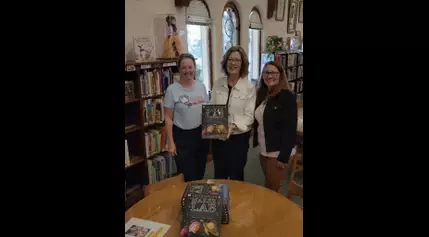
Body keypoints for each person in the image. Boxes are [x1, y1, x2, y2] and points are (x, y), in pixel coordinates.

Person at [210, 46, 256, 181]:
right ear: (226, 62)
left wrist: (233, 126)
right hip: (219, 137)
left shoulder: (249, 87)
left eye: (237, 60)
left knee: (236, 175)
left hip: (238, 139)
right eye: (230, 59)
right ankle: (219, 201)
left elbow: (249, 117)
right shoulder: (218, 83)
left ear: (242, 64)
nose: (233, 63)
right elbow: (212, 108)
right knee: (219, 174)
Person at [253, 61, 297, 192]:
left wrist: (283, 157)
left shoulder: (287, 97)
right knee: (269, 183)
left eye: (273, 72)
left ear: (280, 75)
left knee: (273, 188)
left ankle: (276, 212)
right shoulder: (262, 94)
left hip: (278, 151)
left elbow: (290, 129)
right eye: (266, 72)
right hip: (264, 148)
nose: (269, 76)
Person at [164, 53, 209, 182]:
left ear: (194, 68)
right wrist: (170, 142)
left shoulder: (201, 86)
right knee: (188, 176)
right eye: (184, 68)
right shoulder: (172, 90)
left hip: (200, 135)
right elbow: (168, 117)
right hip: (182, 137)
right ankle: (187, 200)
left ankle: (197, 199)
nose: (187, 71)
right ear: (179, 69)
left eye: (190, 67)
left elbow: (206, 111)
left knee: (200, 172)